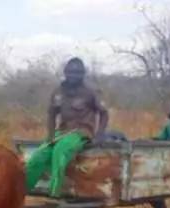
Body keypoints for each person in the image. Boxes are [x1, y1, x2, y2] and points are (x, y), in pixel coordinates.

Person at [25, 57, 109, 197]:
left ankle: (54, 195)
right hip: (62, 132)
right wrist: (50, 135)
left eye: (77, 73)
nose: (73, 75)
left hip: (81, 132)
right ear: (65, 72)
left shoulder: (90, 92)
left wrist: (99, 134)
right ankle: (22, 191)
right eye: (70, 72)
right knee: (38, 156)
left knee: (60, 151)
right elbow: (52, 114)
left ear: (83, 74)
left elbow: (104, 114)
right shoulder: (59, 91)